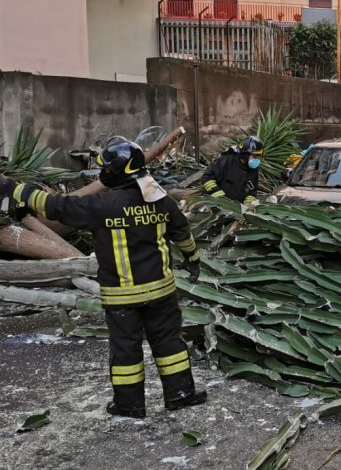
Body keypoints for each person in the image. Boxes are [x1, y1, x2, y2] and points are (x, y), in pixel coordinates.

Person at [0, 137, 206, 419]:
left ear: (115, 172)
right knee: (170, 343)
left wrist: (13, 189)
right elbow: (182, 233)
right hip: (161, 292)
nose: (101, 174)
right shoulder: (161, 200)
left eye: (104, 169)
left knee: (126, 352)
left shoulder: (100, 205)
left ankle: (130, 405)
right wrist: (193, 260)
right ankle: (180, 395)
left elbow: (55, 206)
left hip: (122, 297)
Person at [200, 136, 264, 205]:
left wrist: (249, 204)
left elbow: (252, 191)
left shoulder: (253, 170)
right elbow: (207, 178)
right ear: (245, 154)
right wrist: (219, 197)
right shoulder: (226, 161)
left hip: (235, 211)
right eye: (254, 156)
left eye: (259, 157)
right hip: (213, 205)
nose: (257, 160)